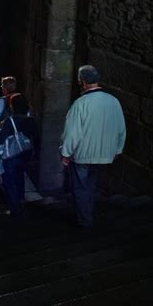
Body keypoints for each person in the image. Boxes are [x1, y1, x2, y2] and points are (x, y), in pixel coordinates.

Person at [60, 65, 126, 228]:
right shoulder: (113, 101)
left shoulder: (80, 103)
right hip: (103, 154)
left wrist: (65, 153)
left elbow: (72, 133)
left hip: (82, 155)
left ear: (82, 82)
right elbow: (121, 128)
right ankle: (88, 213)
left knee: (80, 188)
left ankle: (85, 221)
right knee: (90, 185)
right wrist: (118, 149)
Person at [0, 93, 40, 218]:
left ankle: (15, 208)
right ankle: (21, 199)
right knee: (20, 176)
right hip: (25, 154)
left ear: (12, 107)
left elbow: (0, 140)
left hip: (11, 156)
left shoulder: (9, 121)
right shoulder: (31, 120)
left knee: (9, 181)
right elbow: (36, 139)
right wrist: (35, 156)